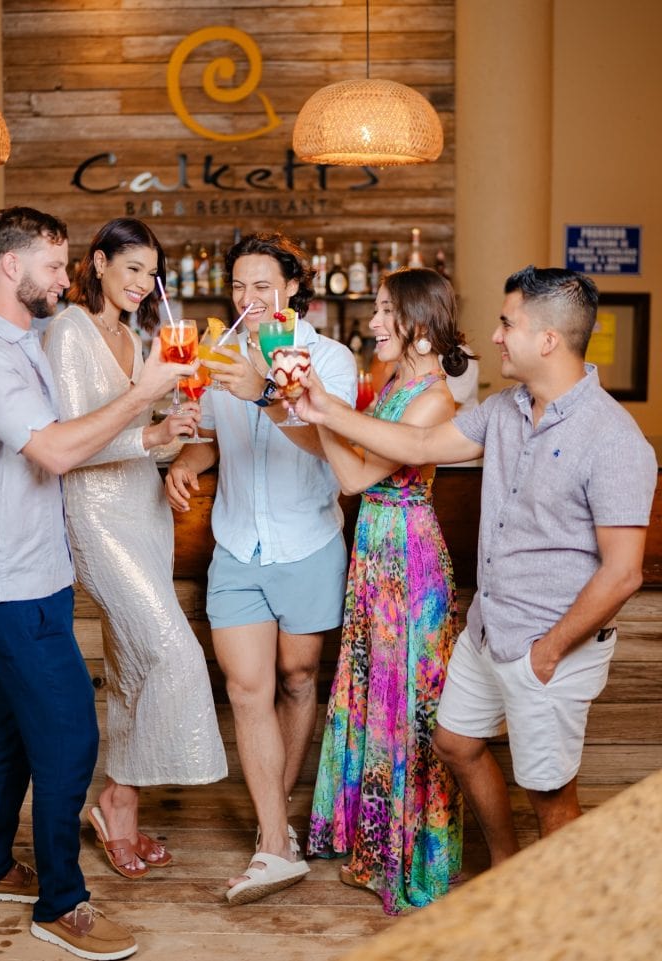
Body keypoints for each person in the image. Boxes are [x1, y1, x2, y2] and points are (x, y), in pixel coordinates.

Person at [292, 265, 657, 865]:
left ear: (547, 340)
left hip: (550, 644)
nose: (493, 336)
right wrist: (326, 409)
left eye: (507, 323)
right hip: (487, 632)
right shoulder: (504, 409)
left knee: (552, 797)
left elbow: (623, 573)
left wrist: (550, 650)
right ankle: (510, 873)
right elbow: (414, 447)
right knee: (456, 743)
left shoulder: (614, 438)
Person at [0, 207, 196, 960]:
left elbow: (75, 445)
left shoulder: (23, 345)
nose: (65, 277)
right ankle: (62, 902)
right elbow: (55, 451)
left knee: (13, 730)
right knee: (70, 734)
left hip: (37, 566)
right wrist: (144, 392)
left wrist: (151, 426)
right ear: (9, 268)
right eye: (53, 265)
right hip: (8, 575)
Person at [164, 232, 358, 904]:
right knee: (247, 691)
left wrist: (262, 394)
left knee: (299, 678)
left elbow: (333, 446)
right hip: (237, 549)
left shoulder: (331, 358)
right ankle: (274, 840)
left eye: (263, 286)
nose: (249, 299)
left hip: (308, 543)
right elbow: (210, 440)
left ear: (292, 290)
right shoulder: (216, 356)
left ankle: (278, 823)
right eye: (239, 286)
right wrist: (186, 466)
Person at [44, 218, 227, 880]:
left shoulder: (143, 336)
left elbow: (153, 434)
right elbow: (71, 442)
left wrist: (178, 430)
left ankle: (119, 814)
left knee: (130, 670)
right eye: (131, 268)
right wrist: (152, 439)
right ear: (96, 264)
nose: (144, 283)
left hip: (145, 510)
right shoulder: (69, 332)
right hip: (96, 514)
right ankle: (116, 796)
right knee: (174, 649)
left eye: (152, 272)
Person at [307, 268, 464, 914]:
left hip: (408, 558)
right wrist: (310, 407)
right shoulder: (393, 380)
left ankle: (407, 854)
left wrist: (313, 409)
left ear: (418, 325)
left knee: (407, 705)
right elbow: (351, 455)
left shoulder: (433, 398)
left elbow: (349, 472)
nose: (372, 323)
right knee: (374, 692)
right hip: (375, 551)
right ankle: (373, 844)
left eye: (382, 312)